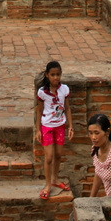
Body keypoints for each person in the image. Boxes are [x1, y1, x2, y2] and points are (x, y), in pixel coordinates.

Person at [36, 60, 74, 199]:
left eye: (58, 74)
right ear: (47, 75)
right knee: (49, 157)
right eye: (52, 75)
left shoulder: (64, 89)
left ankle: (55, 179)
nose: (56, 78)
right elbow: (39, 111)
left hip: (60, 126)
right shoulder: (42, 92)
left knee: (58, 155)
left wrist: (70, 126)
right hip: (47, 126)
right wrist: (38, 130)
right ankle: (47, 184)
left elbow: (67, 108)